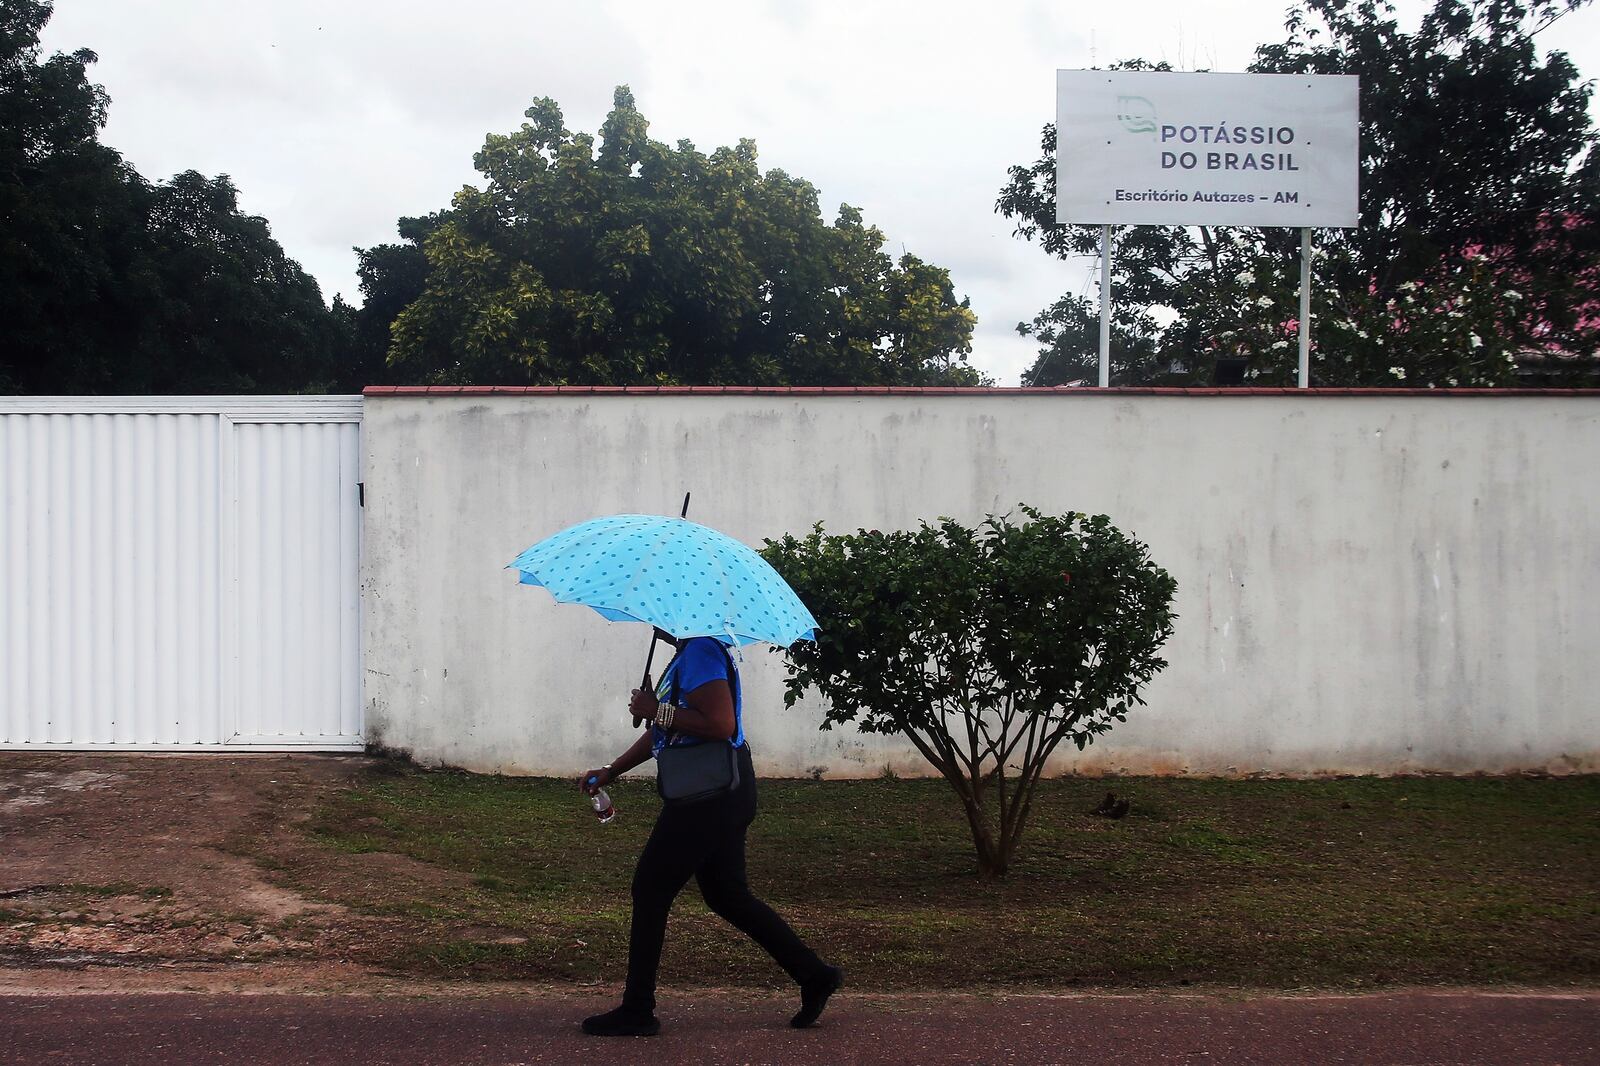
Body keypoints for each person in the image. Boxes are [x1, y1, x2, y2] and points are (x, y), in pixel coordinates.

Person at [578, 633, 843, 1037]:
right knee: (726, 895)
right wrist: (612, 769)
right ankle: (814, 975)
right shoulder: (685, 656)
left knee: (650, 886)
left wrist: (658, 710)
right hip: (720, 791)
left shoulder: (701, 650)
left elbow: (720, 724)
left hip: (708, 796)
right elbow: (664, 734)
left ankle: (637, 1009)